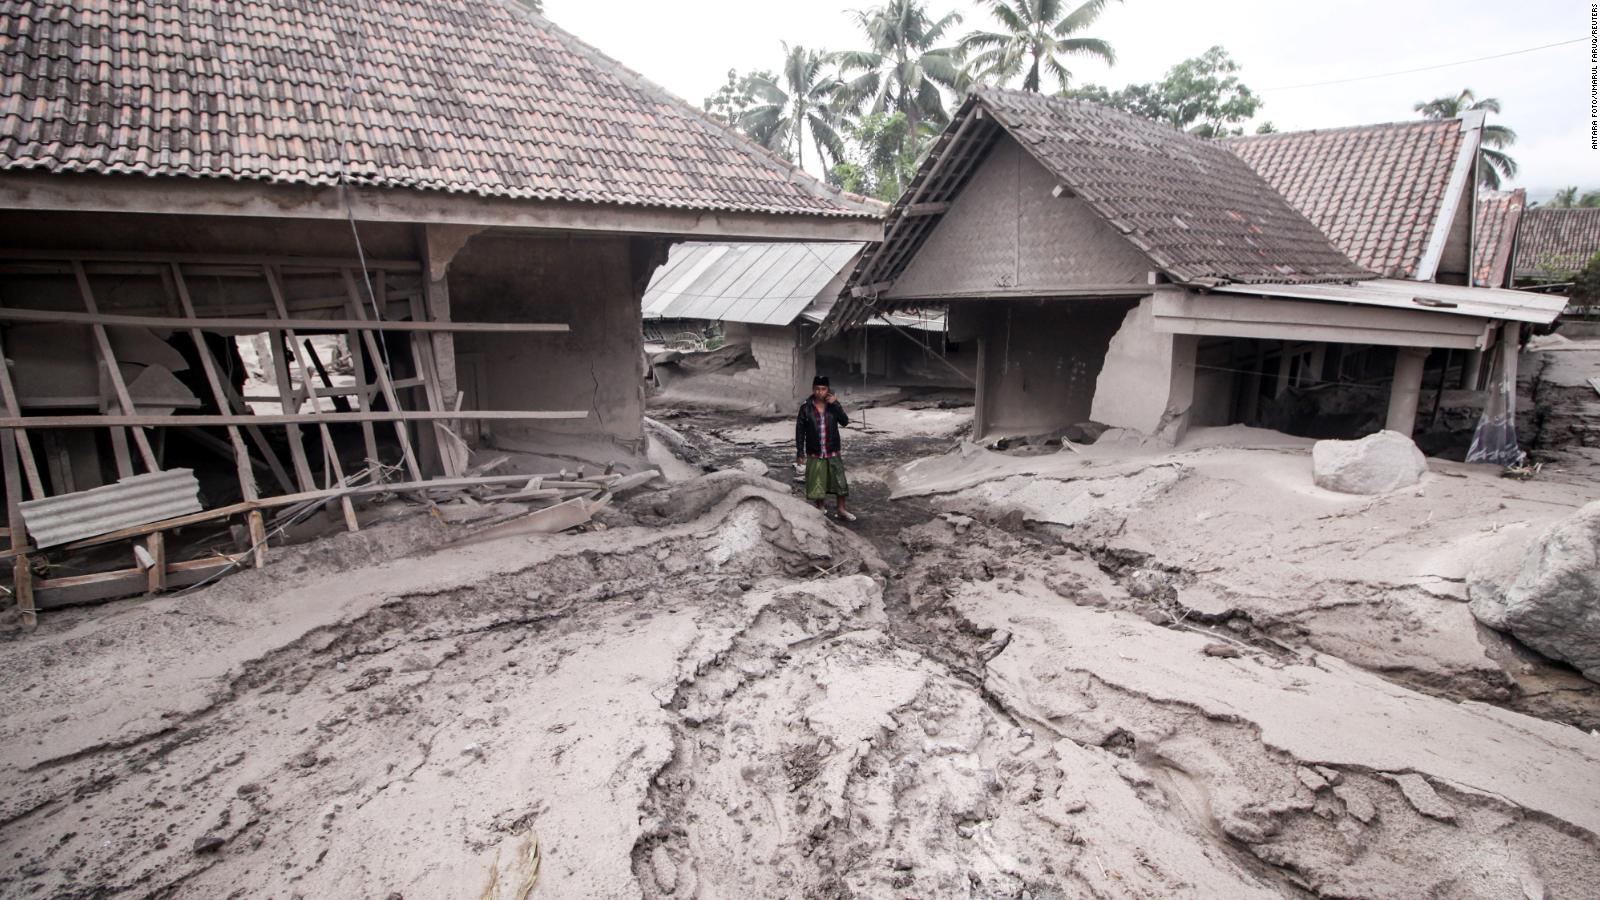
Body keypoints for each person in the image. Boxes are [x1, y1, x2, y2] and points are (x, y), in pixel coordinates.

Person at [795, 375, 855, 521]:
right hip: (815, 451)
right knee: (817, 481)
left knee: (839, 480)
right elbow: (800, 431)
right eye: (817, 389)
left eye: (823, 389)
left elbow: (845, 422)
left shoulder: (833, 406)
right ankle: (820, 507)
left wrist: (837, 404)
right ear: (813, 389)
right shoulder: (806, 408)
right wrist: (800, 452)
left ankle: (841, 509)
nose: (819, 392)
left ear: (827, 390)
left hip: (832, 449)